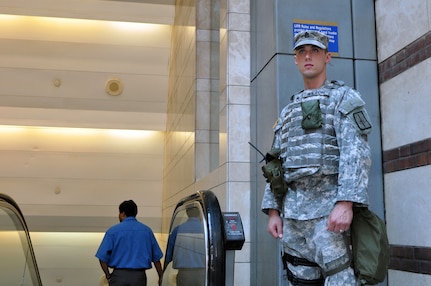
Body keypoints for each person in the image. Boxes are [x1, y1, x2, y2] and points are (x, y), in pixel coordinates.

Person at [261, 30, 372, 286]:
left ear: (327, 57)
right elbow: (274, 163)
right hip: (293, 218)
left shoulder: (344, 99)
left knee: (340, 279)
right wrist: (273, 211)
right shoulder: (288, 111)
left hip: (329, 217)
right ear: (296, 60)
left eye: (315, 51)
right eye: (301, 52)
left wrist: (346, 203)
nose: (308, 56)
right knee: (298, 281)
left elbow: (355, 153)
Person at [95, 200, 164, 286]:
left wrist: (108, 276)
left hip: (118, 277)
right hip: (139, 278)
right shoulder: (147, 231)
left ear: (123, 213)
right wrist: (161, 276)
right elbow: (157, 259)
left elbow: (102, 258)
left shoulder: (112, 231)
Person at [163, 206, 205, 286]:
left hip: (184, 275)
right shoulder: (206, 230)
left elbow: (168, 256)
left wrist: (162, 274)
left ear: (187, 213)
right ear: (200, 214)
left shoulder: (177, 230)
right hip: (202, 275)